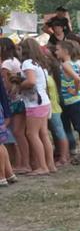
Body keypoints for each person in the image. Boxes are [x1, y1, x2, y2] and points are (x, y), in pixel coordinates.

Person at [16, 38, 56, 175]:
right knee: (43, 134)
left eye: (19, 49)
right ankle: (50, 165)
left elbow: (31, 81)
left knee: (31, 134)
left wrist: (19, 85)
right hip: (44, 101)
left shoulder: (27, 63)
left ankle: (42, 166)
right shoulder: (39, 63)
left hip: (34, 104)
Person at [55, 40, 80, 164]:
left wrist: (75, 90)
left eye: (58, 50)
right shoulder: (75, 64)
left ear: (65, 51)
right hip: (77, 100)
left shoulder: (65, 65)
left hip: (74, 101)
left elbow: (76, 78)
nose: (56, 52)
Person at [0, 37, 30, 175]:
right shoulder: (15, 60)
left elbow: (5, 85)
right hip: (21, 99)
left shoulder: (6, 63)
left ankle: (23, 163)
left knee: (17, 133)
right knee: (19, 133)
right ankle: (22, 163)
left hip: (14, 101)